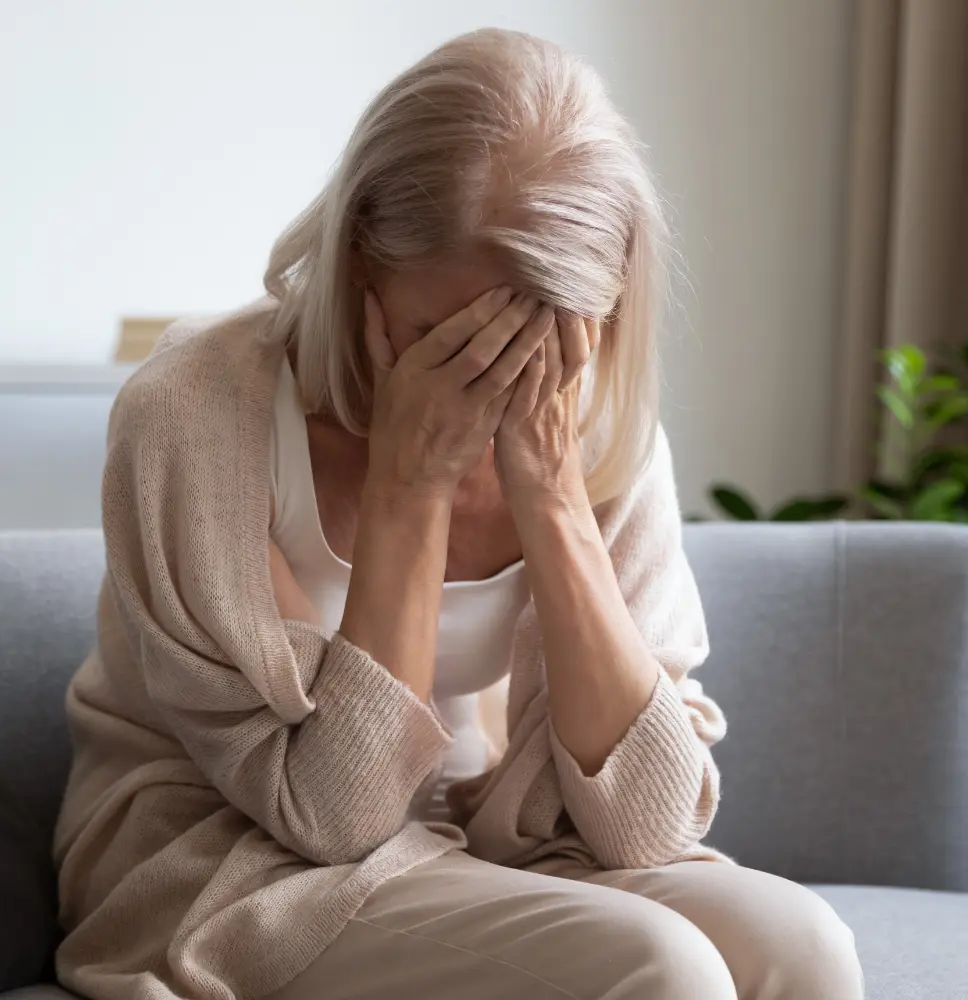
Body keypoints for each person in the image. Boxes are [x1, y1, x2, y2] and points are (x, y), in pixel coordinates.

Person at [54, 27, 864, 1000]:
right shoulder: (197, 415)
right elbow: (331, 815)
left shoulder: (602, 430)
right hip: (240, 864)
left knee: (804, 948)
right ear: (357, 266)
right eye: (445, 338)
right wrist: (409, 485)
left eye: (537, 346)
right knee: (664, 969)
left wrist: (555, 500)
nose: (489, 384)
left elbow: (646, 828)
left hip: (502, 846)